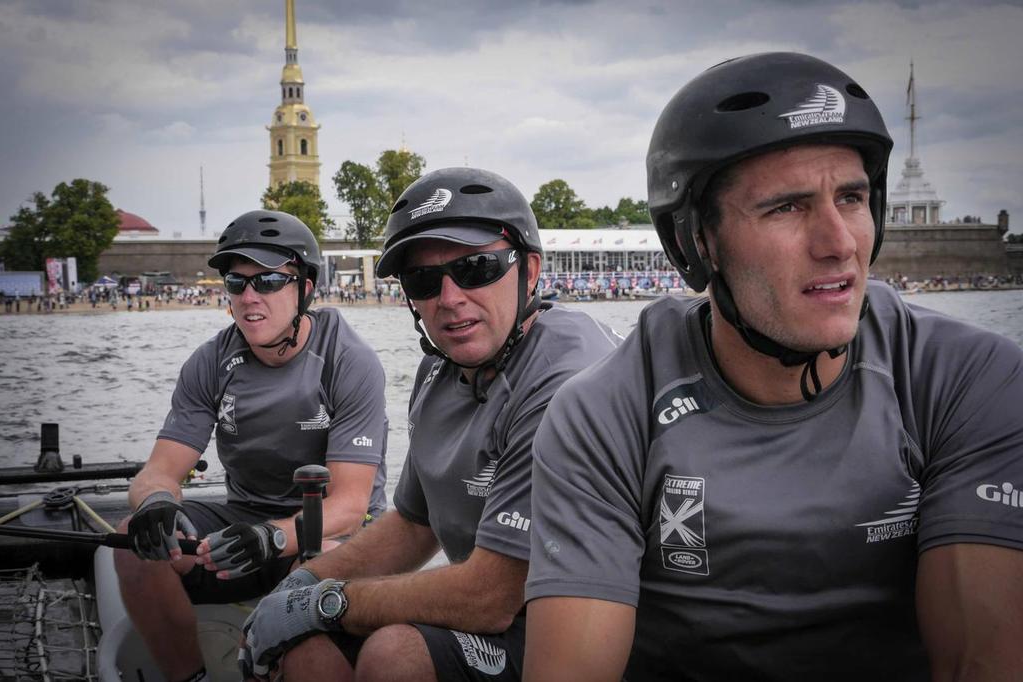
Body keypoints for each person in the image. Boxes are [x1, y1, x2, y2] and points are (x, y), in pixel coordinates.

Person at [523, 52, 1023, 682]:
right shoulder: (603, 412)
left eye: (852, 196)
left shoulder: (971, 380)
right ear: (695, 242)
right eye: (786, 207)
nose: (838, 242)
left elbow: (980, 661)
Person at [239, 167, 622, 682]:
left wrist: (326, 601)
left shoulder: (568, 377)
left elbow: (491, 595)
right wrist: (301, 585)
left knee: (393, 654)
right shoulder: (441, 366)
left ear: (530, 270)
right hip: (502, 614)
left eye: (477, 268)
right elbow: (415, 523)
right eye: (422, 279)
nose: (449, 298)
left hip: (585, 631)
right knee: (303, 645)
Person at [114, 209, 388, 682]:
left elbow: (348, 504)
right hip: (243, 526)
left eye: (266, 281)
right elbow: (159, 471)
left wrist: (272, 537)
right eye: (236, 283)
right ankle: (191, 675)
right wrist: (156, 503)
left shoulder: (349, 360)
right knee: (129, 543)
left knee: (314, 563)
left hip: (332, 532)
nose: (249, 297)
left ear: (305, 286)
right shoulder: (210, 362)